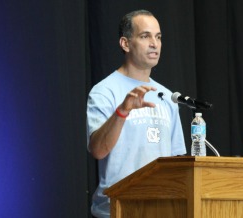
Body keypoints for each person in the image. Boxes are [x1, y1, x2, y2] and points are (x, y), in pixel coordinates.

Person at [86, 9, 187, 217]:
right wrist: (122, 111)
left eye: (158, 37)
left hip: (160, 209)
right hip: (116, 210)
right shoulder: (105, 91)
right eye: (145, 36)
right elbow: (97, 150)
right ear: (125, 43)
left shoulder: (168, 96)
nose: (154, 44)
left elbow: (177, 160)